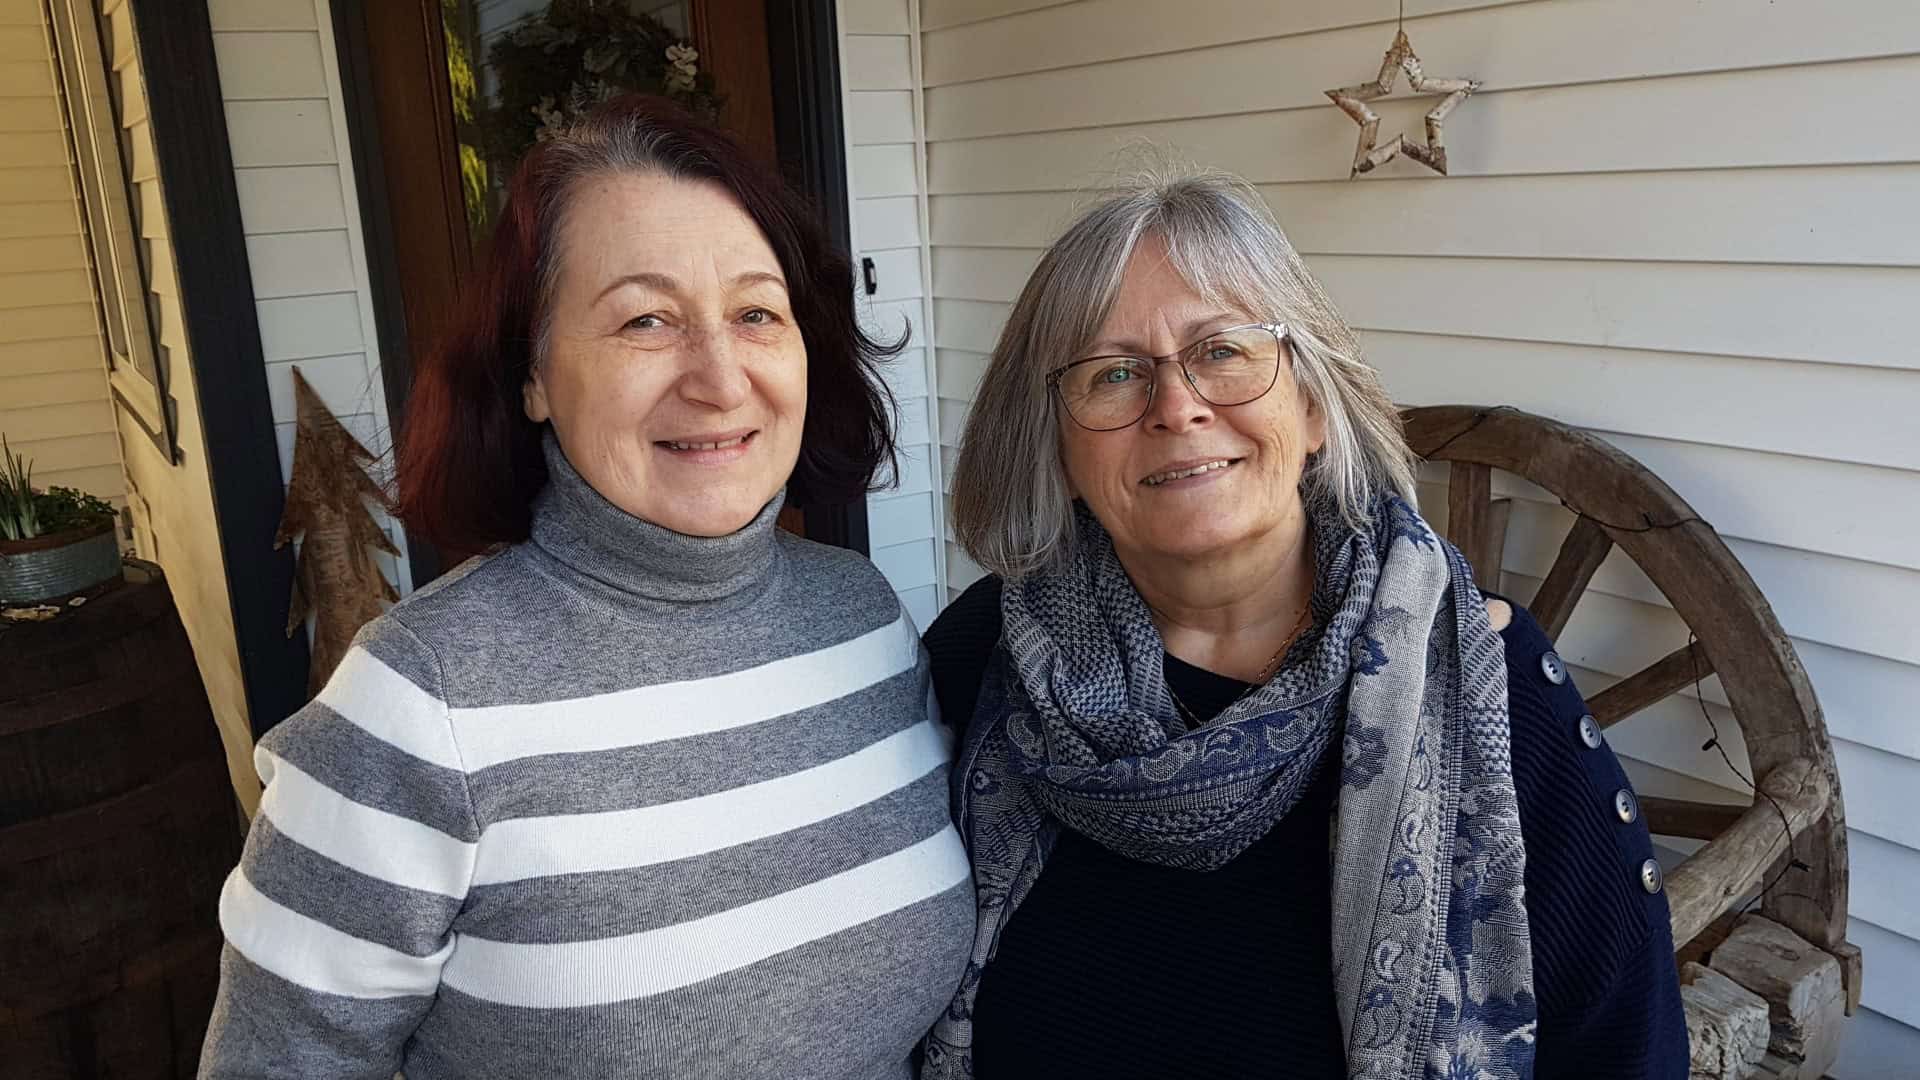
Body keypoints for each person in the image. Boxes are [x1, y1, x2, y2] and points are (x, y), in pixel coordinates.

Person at [198, 97, 974, 1079]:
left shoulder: (860, 618)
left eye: (755, 313)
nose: (721, 377)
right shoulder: (418, 701)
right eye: (645, 319)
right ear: (531, 375)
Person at [920, 171, 1686, 1080]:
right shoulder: (991, 653)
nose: (1177, 406)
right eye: (1114, 373)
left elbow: (1620, 1048)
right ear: (1055, 443)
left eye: (1226, 351)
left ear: (1315, 405)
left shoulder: (1486, 688)